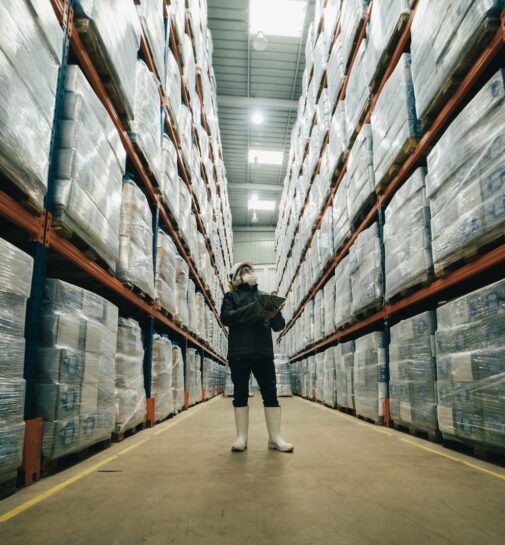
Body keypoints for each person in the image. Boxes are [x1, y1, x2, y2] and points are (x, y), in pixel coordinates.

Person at [220, 262, 294, 453]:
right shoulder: (231, 296)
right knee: (240, 393)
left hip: (263, 352)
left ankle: (275, 438)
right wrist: (252, 309)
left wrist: (274, 315)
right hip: (239, 352)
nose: (249, 273)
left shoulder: (265, 297)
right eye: (244, 271)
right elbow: (226, 317)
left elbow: (279, 326)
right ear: (235, 277)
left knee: (270, 393)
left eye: (250, 271)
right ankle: (241, 438)